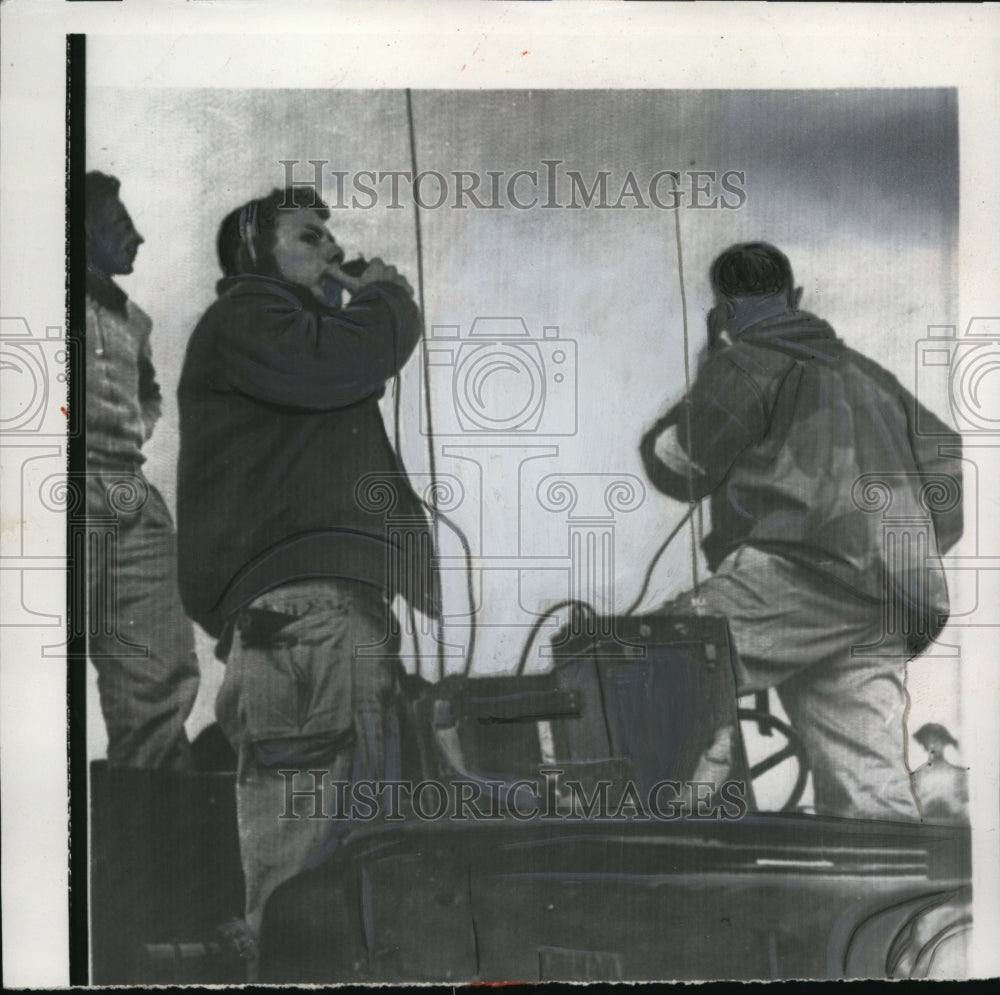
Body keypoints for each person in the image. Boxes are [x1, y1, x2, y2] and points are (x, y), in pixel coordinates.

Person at [176, 186, 436, 952]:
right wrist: (387, 297)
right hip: (306, 619)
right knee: (303, 882)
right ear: (258, 255)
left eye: (331, 237)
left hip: (324, 619)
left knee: (349, 863)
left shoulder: (284, 328)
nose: (331, 249)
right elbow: (346, 360)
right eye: (308, 238)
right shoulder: (250, 318)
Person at [640, 242, 963, 822]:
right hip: (890, 597)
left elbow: (680, 465)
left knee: (656, 660)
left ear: (725, 308)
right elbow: (944, 457)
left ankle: (682, 828)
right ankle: (894, 903)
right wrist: (902, 545)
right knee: (874, 798)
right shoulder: (868, 375)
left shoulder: (746, 361)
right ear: (796, 299)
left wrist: (711, 363)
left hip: (799, 572)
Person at [84, 171, 199, 770]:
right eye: (122, 227)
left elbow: (148, 395)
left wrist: (126, 434)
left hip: (129, 493)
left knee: (156, 673)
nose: (139, 239)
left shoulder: (136, 320)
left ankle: (155, 840)